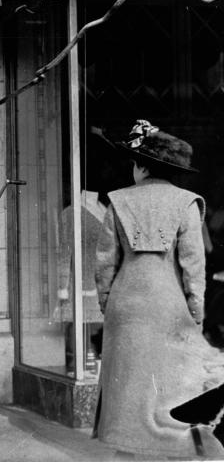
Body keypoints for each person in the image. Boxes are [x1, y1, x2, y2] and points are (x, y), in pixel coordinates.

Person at [95, 120, 224, 457]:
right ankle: (171, 444)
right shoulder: (188, 204)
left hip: (126, 304)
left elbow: (105, 263)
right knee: (169, 384)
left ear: (140, 167)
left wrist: (106, 302)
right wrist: (196, 312)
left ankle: (128, 446)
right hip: (169, 304)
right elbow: (194, 266)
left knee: (128, 382)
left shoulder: (116, 202)